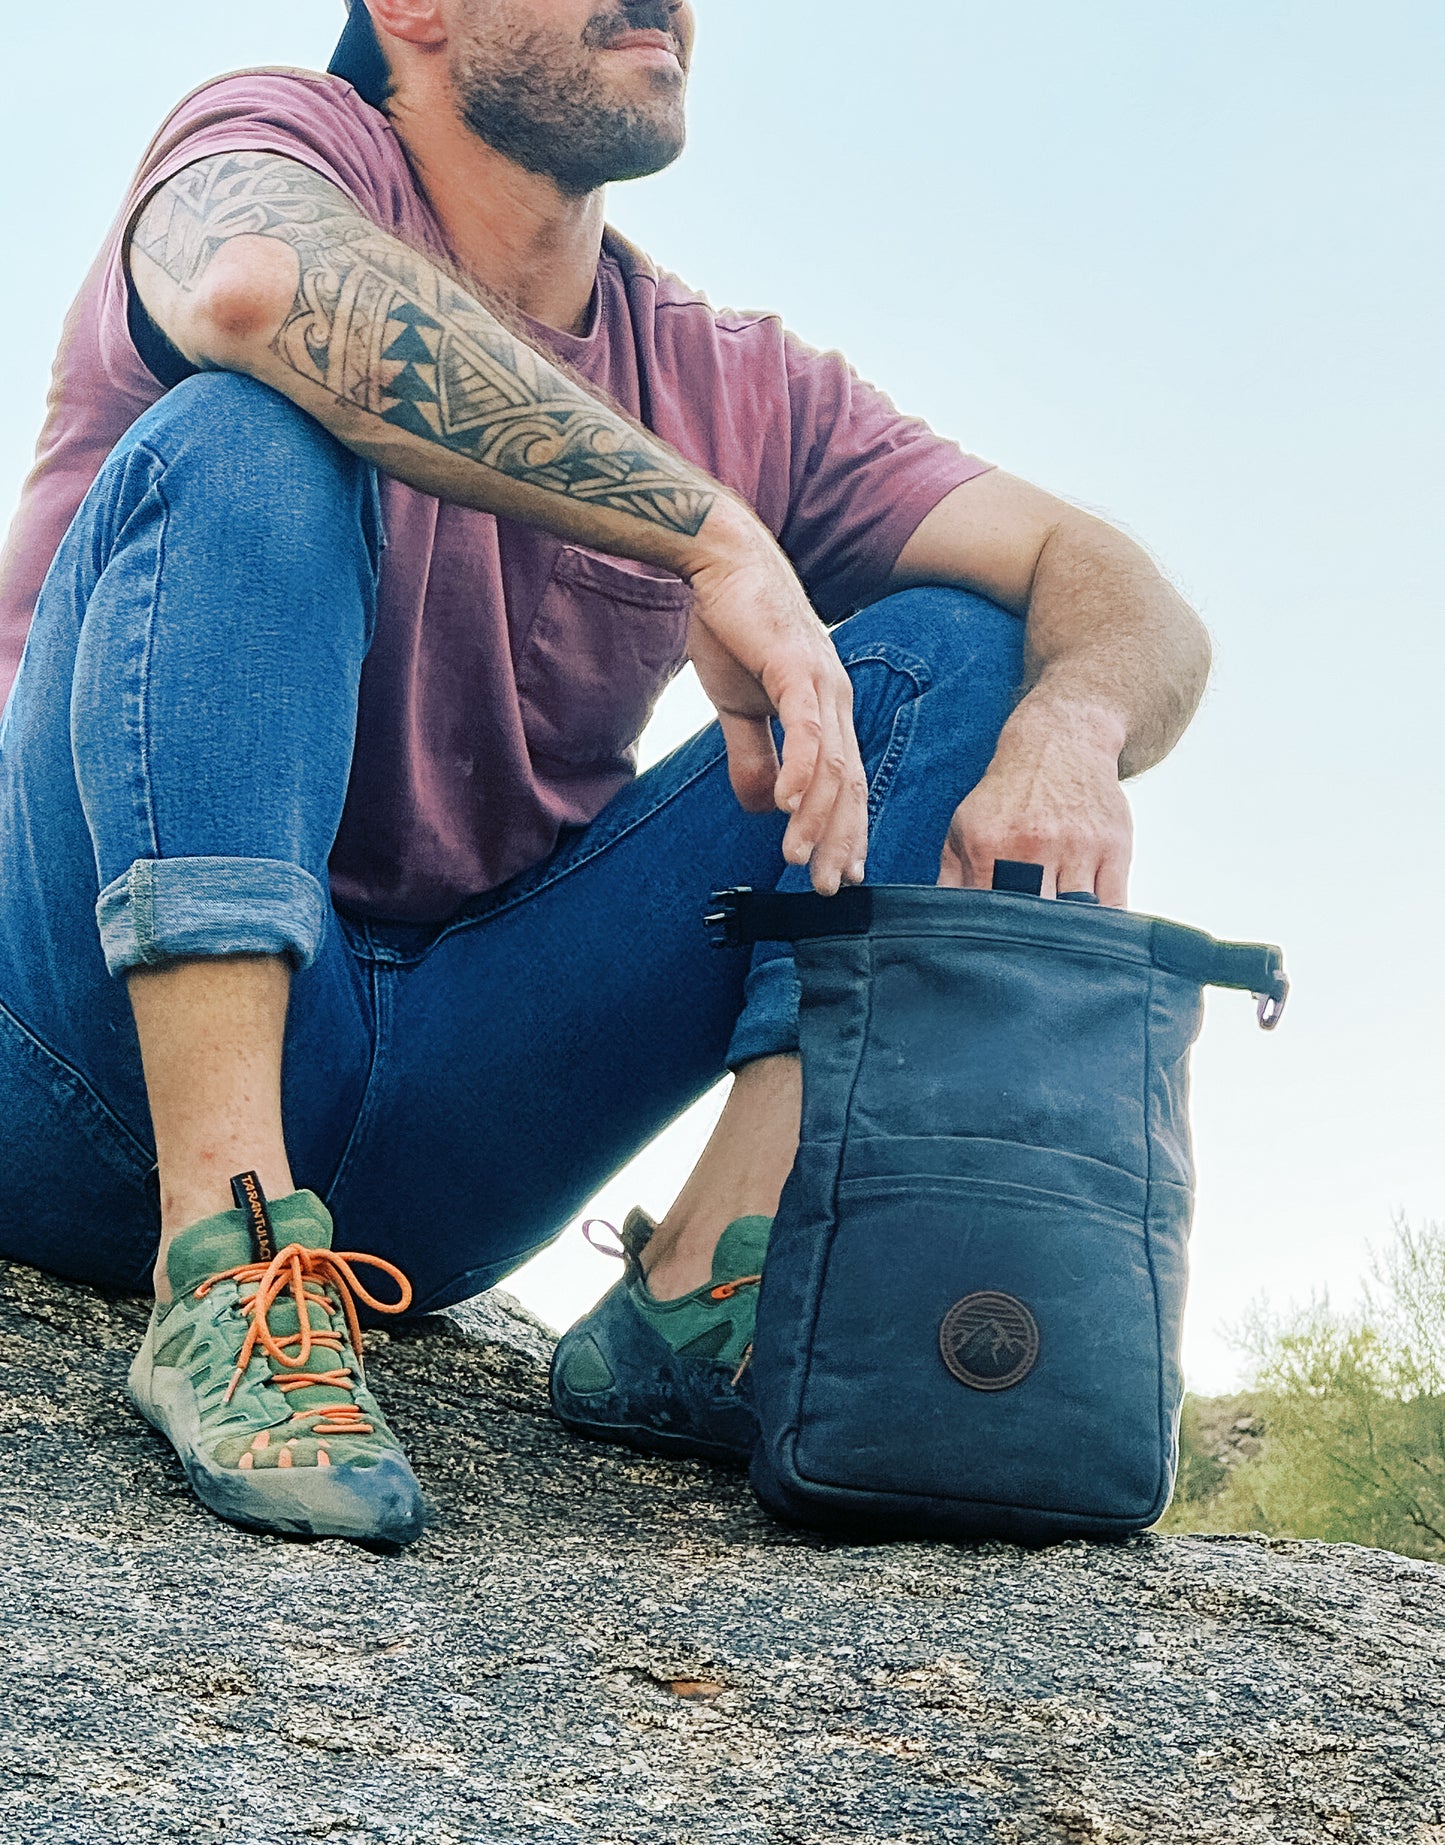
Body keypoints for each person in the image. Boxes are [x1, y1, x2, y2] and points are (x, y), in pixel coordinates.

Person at [0, 0, 1210, 1545]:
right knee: (246, 430)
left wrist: (1075, 727)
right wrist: (707, 530)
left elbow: (1110, 580)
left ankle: (711, 1285)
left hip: (450, 1112)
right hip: (72, 1057)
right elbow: (252, 284)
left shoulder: (729, 375)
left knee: (968, 653)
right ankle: (228, 1269)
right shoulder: (272, 139)